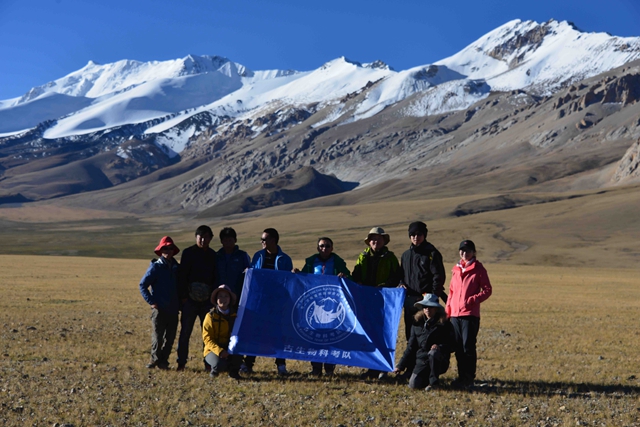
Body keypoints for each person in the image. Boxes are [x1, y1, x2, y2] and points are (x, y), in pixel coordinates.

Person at [294, 237, 351, 376]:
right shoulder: (311, 262)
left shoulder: (338, 262)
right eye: (321, 246)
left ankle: (330, 368)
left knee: (330, 337)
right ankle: (316, 367)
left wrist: (344, 276)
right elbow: (304, 278)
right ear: (317, 248)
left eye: (327, 246)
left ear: (332, 248)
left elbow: (349, 277)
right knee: (314, 336)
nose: (324, 248)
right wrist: (298, 274)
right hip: (314, 304)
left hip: (332, 304)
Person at [243, 228, 293, 376]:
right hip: (260, 300)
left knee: (278, 333)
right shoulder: (258, 256)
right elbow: (254, 274)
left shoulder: (285, 259)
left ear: (273, 240)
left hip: (277, 301)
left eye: (264, 239)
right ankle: (248, 363)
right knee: (255, 331)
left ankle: (281, 365)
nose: (262, 242)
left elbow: (289, 280)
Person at [352, 227, 399, 379]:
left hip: (383, 301)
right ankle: (371, 367)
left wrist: (385, 286)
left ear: (384, 241)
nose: (375, 241)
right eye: (373, 239)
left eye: (379, 238)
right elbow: (356, 274)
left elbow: (396, 277)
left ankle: (383, 367)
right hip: (365, 300)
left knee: (383, 334)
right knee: (368, 333)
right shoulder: (363, 256)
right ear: (369, 242)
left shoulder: (390, 258)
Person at [445, 240, 492, 389]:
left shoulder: (479, 269)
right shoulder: (456, 269)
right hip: (455, 314)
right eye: (462, 250)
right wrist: (448, 310)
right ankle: (461, 377)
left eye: (468, 250)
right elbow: (451, 292)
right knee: (458, 346)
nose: (464, 253)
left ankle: (469, 377)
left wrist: (472, 300)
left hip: (470, 314)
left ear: (473, 252)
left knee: (468, 346)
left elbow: (487, 290)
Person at [176, 225, 218, 372]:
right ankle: (181, 363)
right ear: (196, 237)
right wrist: (184, 298)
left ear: (211, 238)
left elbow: (215, 278)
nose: (203, 240)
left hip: (207, 302)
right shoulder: (188, 253)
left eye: (206, 237)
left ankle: (208, 363)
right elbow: (182, 276)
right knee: (185, 333)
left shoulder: (213, 256)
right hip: (189, 301)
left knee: (207, 334)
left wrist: (213, 299)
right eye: (200, 237)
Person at [393, 294, 454, 390]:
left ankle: (434, 383)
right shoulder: (416, 323)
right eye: (425, 307)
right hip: (421, 360)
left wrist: (440, 347)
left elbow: (452, 344)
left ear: (436, 308)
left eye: (431, 307)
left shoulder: (445, 324)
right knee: (413, 385)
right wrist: (400, 366)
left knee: (433, 353)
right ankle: (426, 379)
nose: (427, 309)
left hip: (439, 359)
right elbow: (411, 347)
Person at [398, 221, 446, 342]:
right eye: (413, 234)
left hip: (426, 302)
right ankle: (411, 354)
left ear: (424, 235)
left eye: (419, 234)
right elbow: (401, 275)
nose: (416, 237)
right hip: (409, 300)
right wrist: (401, 283)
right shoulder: (406, 255)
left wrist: (432, 297)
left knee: (426, 334)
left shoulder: (432, 253)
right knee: (410, 333)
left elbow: (438, 277)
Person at [139, 236, 180, 370]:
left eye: (170, 248)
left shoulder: (176, 267)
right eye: (165, 248)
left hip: (173, 308)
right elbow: (143, 285)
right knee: (158, 336)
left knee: (170, 337)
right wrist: (151, 302)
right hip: (159, 309)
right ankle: (154, 359)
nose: (168, 251)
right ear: (160, 250)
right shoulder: (156, 267)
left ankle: (163, 361)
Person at [202, 285, 242, 379]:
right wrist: (220, 351)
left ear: (230, 299)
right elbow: (207, 339)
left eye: (226, 296)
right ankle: (215, 370)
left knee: (238, 355)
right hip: (212, 349)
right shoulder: (210, 316)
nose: (223, 299)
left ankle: (234, 372)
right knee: (219, 364)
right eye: (220, 296)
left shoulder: (236, 315)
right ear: (216, 299)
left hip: (230, 348)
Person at [216, 227, 251, 304]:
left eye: (230, 240)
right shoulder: (217, 256)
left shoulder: (242, 256)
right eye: (225, 241)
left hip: (238, 294)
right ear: (221, 241)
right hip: (220, 296)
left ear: (235, 240)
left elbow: (248, 274)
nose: (228, 243)